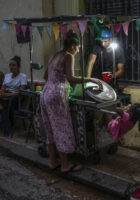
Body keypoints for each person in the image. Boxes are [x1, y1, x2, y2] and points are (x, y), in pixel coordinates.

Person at [40, 30, 102, 173]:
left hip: (45, 93)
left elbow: (45, 76)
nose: (79, 50)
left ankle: (53, 162)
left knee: (50, 129)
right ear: (73, 46)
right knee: (61, 128)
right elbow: (72, 78)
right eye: (79, 47)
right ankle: (65, 165)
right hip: (56, 95)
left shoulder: (54, 55)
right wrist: (92, 79)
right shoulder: (68, 56)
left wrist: (55, 81)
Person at [0, 56, 27, 136]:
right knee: (4, 105)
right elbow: (3, 87)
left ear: (18, 66)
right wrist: (1, 92)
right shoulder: (7, 75)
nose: (11, 67)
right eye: (10, 65)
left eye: (13, 65)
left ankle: (6, 131)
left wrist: (6, 94)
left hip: (14, 97)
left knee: (5, 107)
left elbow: (20, 91)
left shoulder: (23, 76)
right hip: (5, 96)